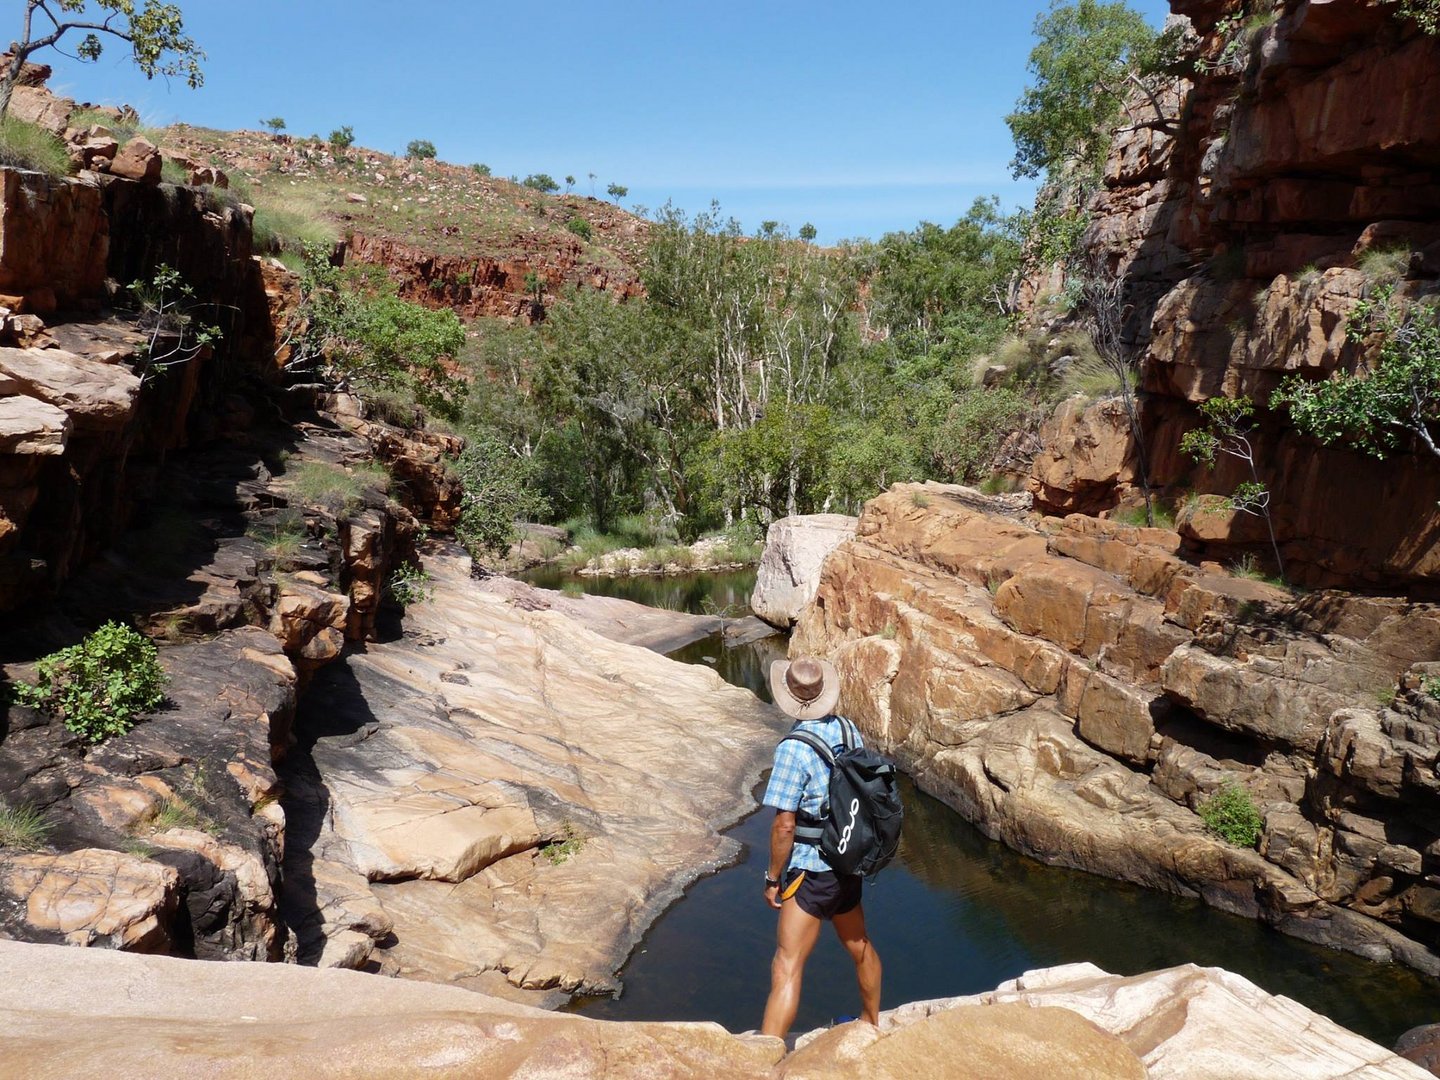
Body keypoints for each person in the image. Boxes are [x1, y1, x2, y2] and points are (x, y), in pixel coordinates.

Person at [759, 656, 882, 1039]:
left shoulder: (792, 749)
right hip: (848, 857)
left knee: (787, 966)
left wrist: (773, 877)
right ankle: (870, 1023)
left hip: (812, 870)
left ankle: (765, 1057)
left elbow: (785, 826)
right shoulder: (848, 728)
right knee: (859, 945)